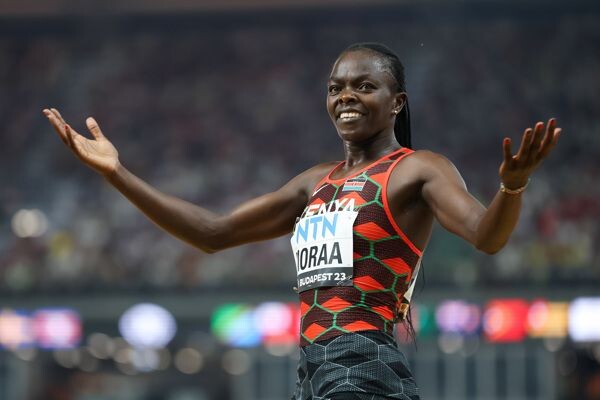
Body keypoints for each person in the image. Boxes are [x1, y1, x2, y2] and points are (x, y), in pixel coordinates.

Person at [44, 42, 561, 400]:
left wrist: (512, 187)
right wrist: (116, 173)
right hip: (311, 368)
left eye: (364, 86)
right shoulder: (314, 182)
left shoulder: (417, 169)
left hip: (364, 361)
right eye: (336, 88)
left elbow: (487, 237)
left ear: (397, 102)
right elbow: (211, 233)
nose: (345, 97)